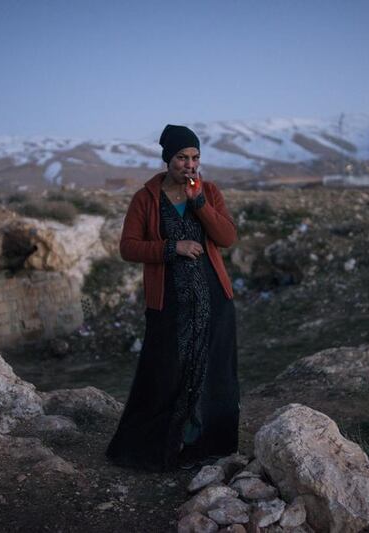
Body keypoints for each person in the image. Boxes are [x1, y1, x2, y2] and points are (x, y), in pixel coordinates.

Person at [106, 124, 239, 471]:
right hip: (168, 305)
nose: (190, 164)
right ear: (168, 159)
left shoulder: (208, 192)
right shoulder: (146, 198)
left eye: (195, 157)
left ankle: (205, 446)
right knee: (165, 373)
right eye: (182, 157)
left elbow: (226, 237)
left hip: (213, 301)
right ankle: (157, 448)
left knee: (212, 374)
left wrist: (200, 206)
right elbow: (128, 247)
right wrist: (171, 247)